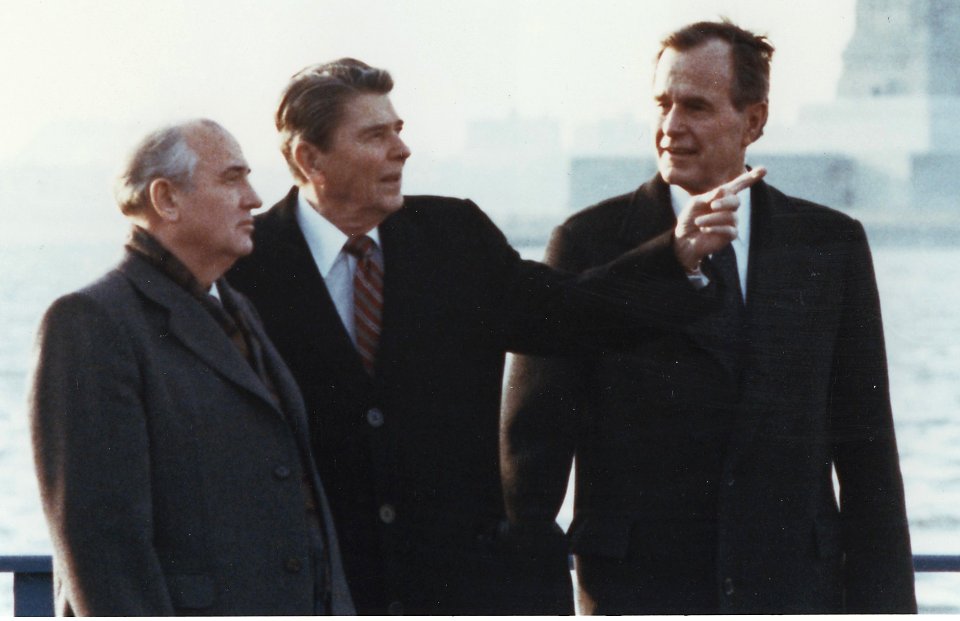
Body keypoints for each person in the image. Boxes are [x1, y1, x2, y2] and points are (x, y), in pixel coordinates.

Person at [226, 58, 760, 615]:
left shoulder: (454, 237)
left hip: (458, 590)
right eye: (375, 136)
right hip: (313, 591)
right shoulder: (243, 266)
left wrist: (675, 255)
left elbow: (570, 311)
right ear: (311, 159)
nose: (401, 151)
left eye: (398, 132)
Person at [502, 20, 917, 615]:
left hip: (791, 598)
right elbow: (529, 469)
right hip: (638, 600)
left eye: (695, 106)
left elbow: (869, 454)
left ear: (753, 121)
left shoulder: (830, 246)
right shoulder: (587, 244)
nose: (671, 127)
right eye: (663, 104)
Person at [28, 119, 354, 615]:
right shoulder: (92, 321)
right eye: (231, 179)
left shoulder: (237, 310)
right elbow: (100, 544)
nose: (254, 198)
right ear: (166, 200)